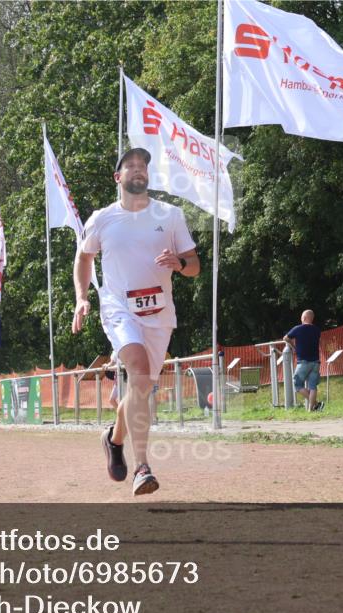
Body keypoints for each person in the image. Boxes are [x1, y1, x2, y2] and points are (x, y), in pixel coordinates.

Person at [72, 147, 200, 495]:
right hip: (118, 308)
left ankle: (114, 439)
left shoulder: (170, 215)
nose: (137, 169)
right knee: (138, 370)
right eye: (130, 165)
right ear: (118, 177)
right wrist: (82, 298)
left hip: (160, 314)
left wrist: (179, 263)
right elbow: (84, 259)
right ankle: (142, 466)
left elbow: (194, 265)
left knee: (141, 387)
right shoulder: (102, 218)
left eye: (142, 165)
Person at [283, 309, 323, 411]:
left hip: (303, 362)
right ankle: (311, 410)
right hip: (316, 362)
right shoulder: (317, 330)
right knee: (313, 386)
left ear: (304, 318)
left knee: (297, 383)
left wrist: (293, 346)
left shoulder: (298, 329)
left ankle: (317, 403)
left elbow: (286, 338)